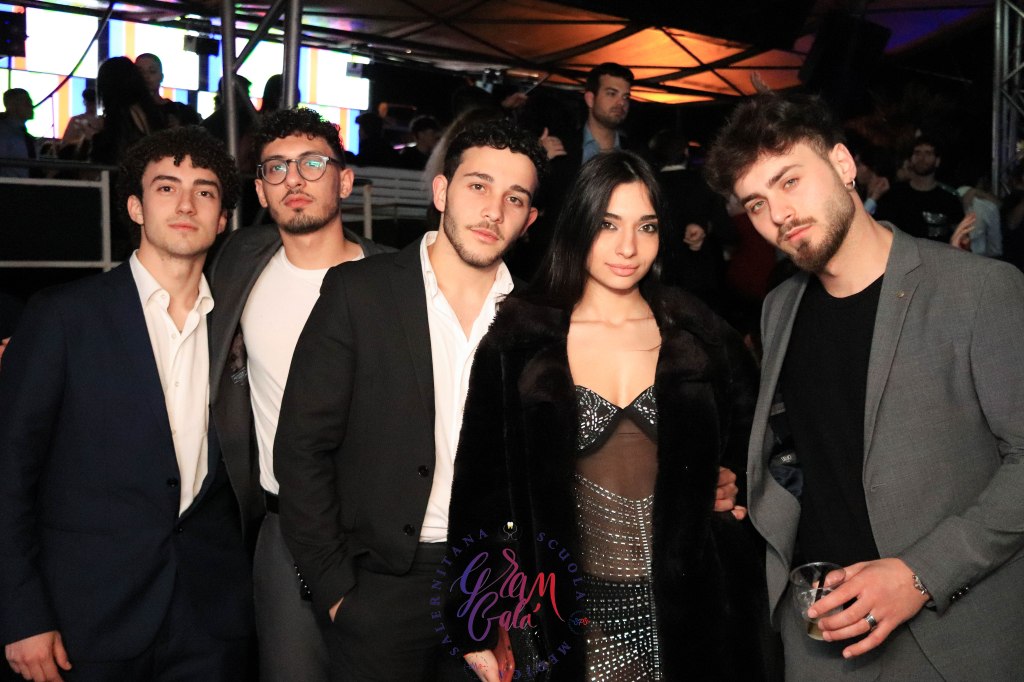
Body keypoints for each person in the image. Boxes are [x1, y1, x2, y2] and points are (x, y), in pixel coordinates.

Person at [705, 90, 1024, 680]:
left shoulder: (980, 290)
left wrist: (920, 574)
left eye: (790, 180)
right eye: (757, 203)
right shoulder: (779, 308)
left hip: (949, 640)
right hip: (819, 636)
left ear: (843, 164)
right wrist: (739, 488)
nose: (779, 214)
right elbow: (807, 448)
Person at [444, 150, 773, 682]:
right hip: (572, 620)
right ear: (578, 224)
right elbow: (480, 492)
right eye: (608, 224)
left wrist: (733, 486)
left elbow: (762, 441)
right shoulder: (520, 340)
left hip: (696, 619)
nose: (628, 247)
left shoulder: (700, 333)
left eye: (646, 226)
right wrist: (475, 622)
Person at [0, 126, 259, 681]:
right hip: (86, 619)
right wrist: (20, 612)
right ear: (136, 207)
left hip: (209, 621)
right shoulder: (62, 317)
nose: (186, 204)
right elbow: (9, 474)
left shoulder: (238, 326)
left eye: (205, 191)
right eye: (166, 188)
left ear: (222, 219)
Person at [206, 106, 392, 682]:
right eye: (277, 167)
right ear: (261, 191)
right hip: (282, 529)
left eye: (313, 163)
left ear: (345, 180)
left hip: (380, 534)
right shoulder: (238, 262)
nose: (294, 179)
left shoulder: (397, 280)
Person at [875, 137, 963, 242]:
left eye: (928, 153)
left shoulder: (949, 199)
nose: (922, 158)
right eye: (917, 153)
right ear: (910, 159)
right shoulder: (894, 194)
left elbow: (959, 236)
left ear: (937, 161)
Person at [0, 88, 35, 178]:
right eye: (26, 103)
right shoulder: (4, 134)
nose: (31, 106)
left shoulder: (25, 136)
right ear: (12, 106)